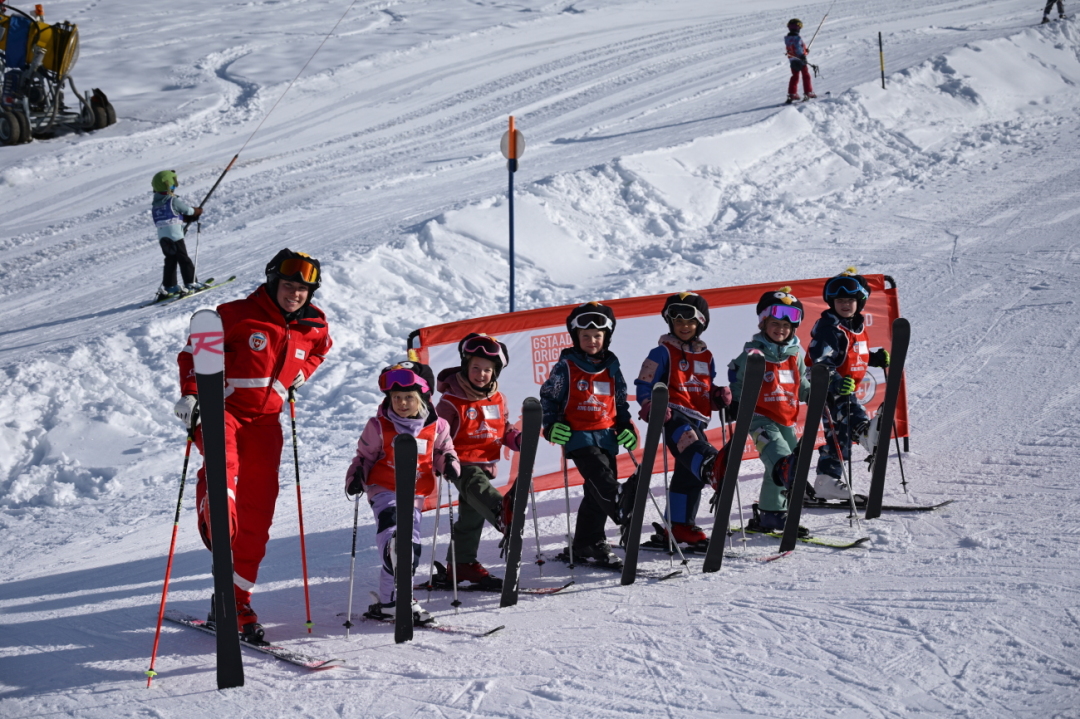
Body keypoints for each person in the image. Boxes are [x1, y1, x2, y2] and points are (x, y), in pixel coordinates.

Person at [173, 249, 332, 640]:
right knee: (223, 468)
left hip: (265, 423)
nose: (295, 294)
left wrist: (303, 372)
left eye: (303, 289)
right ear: (273, 282)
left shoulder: (313, 325)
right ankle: (216, 517)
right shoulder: (236, 314)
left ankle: (235, 599)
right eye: (289, 285)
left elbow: (320, 349)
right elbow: (194, 353)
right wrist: (191, 393)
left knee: (258, 513)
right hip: (220, 410)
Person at [345, 362, 459, 625]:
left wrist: (449, 464)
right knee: (393, 528)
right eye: (396, 397)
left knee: (409, 544)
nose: (402, 403)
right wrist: (356, 476)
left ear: (423, 397)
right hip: (384, 488)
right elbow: (364, 457)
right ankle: (394, 553)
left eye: (408, 397)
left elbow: (443, 451)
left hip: (416, 492)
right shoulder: (378, 425)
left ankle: (390, 602)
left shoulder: (437, 426)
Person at [540, 302, 637, 568]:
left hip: (606, 435)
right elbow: (549, 397)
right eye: (585, 335)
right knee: (599, 476)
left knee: (596, 491)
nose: (591, 340)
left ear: (606, 336)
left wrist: (626, 426)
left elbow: (620, 400)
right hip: (578, 435)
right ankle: (620, 502)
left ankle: (587, 542)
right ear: (576, 337)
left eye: (597, 336)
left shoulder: (612, 366)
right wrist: (551, 424)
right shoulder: (566, 365)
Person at [634, 292, 731, 549]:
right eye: (678, 321)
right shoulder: (661, 351)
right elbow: (644, 382)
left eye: (690, 322)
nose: (684, 326)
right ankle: (712, 465)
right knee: (689, 442)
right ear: (670, 323)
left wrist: (717, 396)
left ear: (701, 324)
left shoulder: (706, 356)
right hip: (672, 414)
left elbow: (705, 387)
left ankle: (679, 526)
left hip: (698, 417)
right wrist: (648, 404)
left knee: (689, 474)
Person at [433, 333, 522, 590]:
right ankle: (501, 511)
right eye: (475, 368)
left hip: (486, 462)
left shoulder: (498, 398)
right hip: (459, 463)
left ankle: (461, 563)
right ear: (465, 366)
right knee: (475, 483)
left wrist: (515, 439)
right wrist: (440, 459)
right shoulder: (451, 401)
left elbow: (502, 428)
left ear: (495, 372)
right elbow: (436, 434)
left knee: (471, 517)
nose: (481, 374)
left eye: (487, 370)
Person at [727, 287, 811, 534]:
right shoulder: (753, 354)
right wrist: (735, 402)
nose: (780, 329)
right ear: (763, 323)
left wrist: (817, 393)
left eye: (786, 325)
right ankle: (776, 513)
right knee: (781, 461)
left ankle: (771, 514)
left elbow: (802, 385)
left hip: (786, 419)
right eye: (775, 323)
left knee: (784, 464)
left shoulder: (795, 355)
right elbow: (737, 381)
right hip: (759, 418)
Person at [807, 268, 890, 500]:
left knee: (840, 433)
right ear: (831, 302)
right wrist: (834, 381)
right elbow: (820, 361)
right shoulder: (829, 328)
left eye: (850, 300)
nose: (845, 304)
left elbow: (849, 354)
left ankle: (828, 479)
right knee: (844, 420)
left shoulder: (856, 327)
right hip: (826, 388)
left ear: (860, 302)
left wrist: (872, 358)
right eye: (840, 300)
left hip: (845, 388)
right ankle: (863, 434)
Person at [151, 170, 206, 300]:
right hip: (175, 235)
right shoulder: (172, 200)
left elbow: (169, 216)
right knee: (183, 258)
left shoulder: (156, 203)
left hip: (163, 236)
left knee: (170, 259)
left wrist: (182, 219)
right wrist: (197, 211)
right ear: (169, 185)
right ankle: (191, 283)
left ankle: (170, 286)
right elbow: (188, 210)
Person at [784, 18, 816, 104]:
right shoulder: (797, 38)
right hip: (800, 60)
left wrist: (805, 51)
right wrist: (802, 55)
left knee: (794, 76)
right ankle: (808, 92)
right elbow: (798, 48)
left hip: (792, 61)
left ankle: (792, 94)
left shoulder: (787, 39)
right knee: (806, 75)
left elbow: (793, 48)